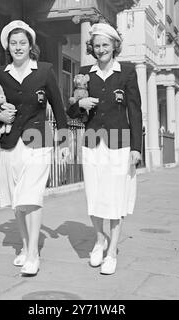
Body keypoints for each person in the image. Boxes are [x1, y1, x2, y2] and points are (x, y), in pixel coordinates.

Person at [0, 20, 68, 276]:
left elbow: (59, 107)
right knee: (18, 203)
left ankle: (33, 254)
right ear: (7, 47)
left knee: (32, 197)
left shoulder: (45, 71)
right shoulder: (0, 74)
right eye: (13, 43)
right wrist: (0, 117)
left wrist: (63, 140)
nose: (18, 47)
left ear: (31, 46)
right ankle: (24, 245)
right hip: (11, 145)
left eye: (23, 43)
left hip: (38, 142)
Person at [67, 23, 142, 275]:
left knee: (116, 196)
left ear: (114, 46)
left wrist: (136, 147)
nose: (101, 50)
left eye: (105, 45)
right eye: (97, 45)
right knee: (95, 195)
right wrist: (81, 104)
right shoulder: (84, 73)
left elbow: (135, 111)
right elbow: (71, 111)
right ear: (92, 48)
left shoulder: (127, 72)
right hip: (92, 143)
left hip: (120, 144)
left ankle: (112, 252)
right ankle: (99, 241)